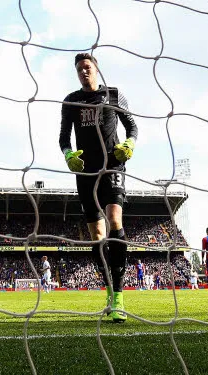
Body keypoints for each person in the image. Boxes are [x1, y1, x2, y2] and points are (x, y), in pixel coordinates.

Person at [59, 53, 138, 322]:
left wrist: (129, 145)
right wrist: (69, 156)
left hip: (112, 166)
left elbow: (132, 127)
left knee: (114, 217)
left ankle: (119, 296)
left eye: (87, 68)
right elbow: (63, 138)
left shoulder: (114, 95)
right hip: (86, 172)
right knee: (96, 235)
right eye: (79, 69)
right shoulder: (70, 101)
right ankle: (108, 291)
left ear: (96, 69)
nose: (84, 72)